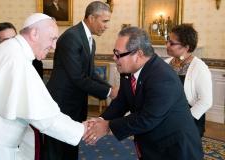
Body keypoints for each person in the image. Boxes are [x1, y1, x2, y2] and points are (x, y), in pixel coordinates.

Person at [83, 26, 204, 160]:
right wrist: (101, 120)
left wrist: (108, 126)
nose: (114, 57)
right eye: (114, 52)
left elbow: (147, 118)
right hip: (151, 146)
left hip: (175, 150)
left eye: (118, 53)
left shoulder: (163, 77)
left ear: (139, 55)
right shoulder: (128, 71)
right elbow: (121, 102)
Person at [0, 13, 89, 160]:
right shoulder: (18, 60)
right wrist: (82, 130)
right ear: (34, 33)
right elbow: (45, 117)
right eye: (52, 39)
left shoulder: (9, 51)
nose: (54, 46)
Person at [42, 1, 119, 160]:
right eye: (104, 21)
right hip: (61, 104)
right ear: (91, 17)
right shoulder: (71, 37)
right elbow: (78, 77)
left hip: (76, 103)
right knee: (56, 150)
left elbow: (90, 73)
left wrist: (110, 88)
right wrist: (110, 92)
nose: (107, 25)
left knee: (72, 145)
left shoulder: (90, 40)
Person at [0, 22, 44, 160]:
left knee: (31, 148)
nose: (12, 43)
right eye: (6, 40)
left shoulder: (34, 59)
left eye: (15, 38)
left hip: (28, 112)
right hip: (3, 121)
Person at [165, 24, 213, 137]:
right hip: (167, 120)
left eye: (172, 43)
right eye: (168, 40)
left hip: (189, 123)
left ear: (186, 48)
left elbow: (206, 101)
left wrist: (183, 120)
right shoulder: (166, 63)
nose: (167, 45)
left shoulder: (200, 68)